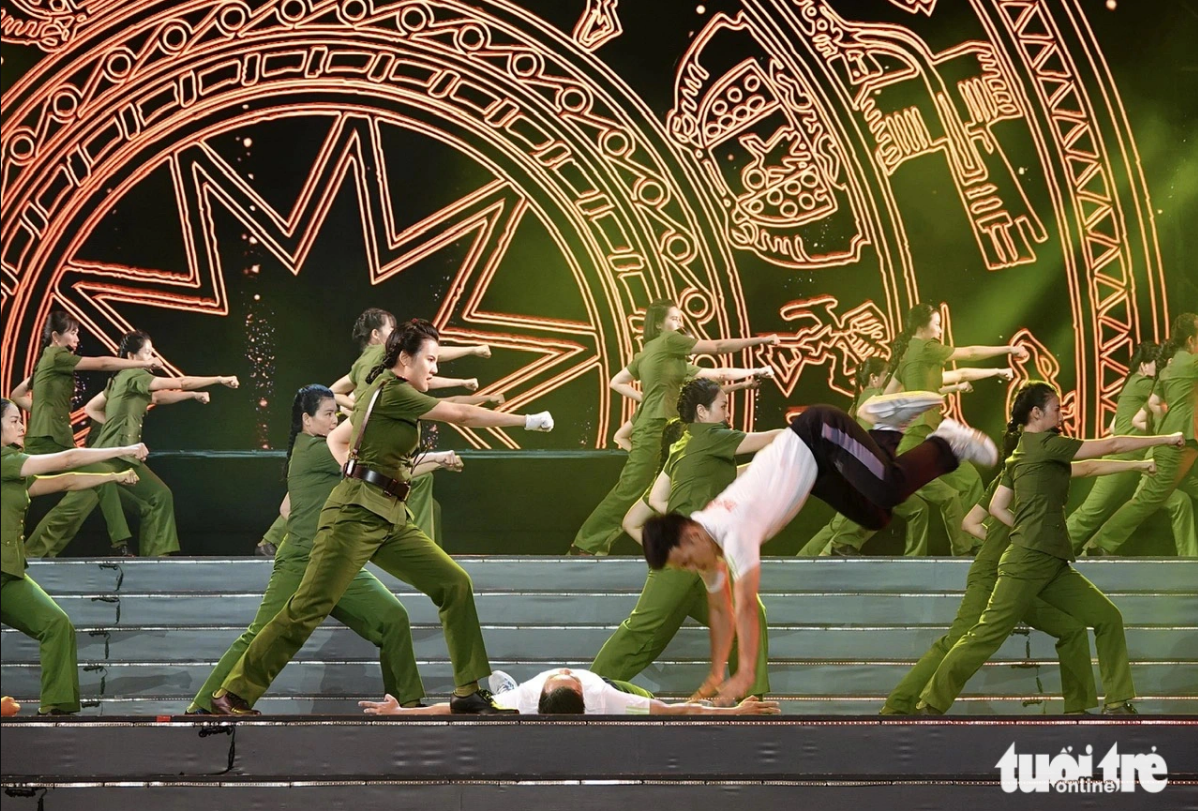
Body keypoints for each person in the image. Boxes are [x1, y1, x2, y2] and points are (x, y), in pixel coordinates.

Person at [210, 319, 554, 715]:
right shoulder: (393, 391)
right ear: (405, 359)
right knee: (308, 606)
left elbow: (340, 440)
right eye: (431, 359)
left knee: (453, 582)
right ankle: (236, 692)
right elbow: (460, 414)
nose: (435, 369)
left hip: (390, 514)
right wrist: (527, 421)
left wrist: (356, 469)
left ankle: (468, 690)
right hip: (354, 516)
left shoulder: (387, 391)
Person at [639, 394, 997, 704]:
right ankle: (890, 424)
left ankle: (947, 442)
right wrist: (716, 674)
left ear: (690, 536)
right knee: (876, 516)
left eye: (686, 561)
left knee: (888, 489)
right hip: (817, 470)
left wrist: (745, 674)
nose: (692, 569)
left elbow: (745, 606)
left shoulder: (734, 530)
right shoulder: (704, 537)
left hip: (819, 433)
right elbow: (720, 610)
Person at [915, 381, 1186, 715]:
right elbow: (1112, 444)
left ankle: (1112, 702)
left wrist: (1027, 527)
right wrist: (1166, 438)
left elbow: (999, 506)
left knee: (1107, 618)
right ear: (1036, 413)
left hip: (1051, 561)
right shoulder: (1045, 444)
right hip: (1027, 561)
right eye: (1057, 409)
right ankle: (931, 702)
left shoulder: (1022, 454)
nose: (1062, 413)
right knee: (986, 633)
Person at [187, 385, 462, 714]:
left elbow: (287, 507)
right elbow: (383, 467)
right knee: (260, 634)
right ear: (307, 420)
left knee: (392, 618)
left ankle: (406, 706)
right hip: (301, 561)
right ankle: (205, 705)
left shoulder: (316, 454)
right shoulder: (318, 450)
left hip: (335, 560)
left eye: (337, 414)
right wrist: (438, 458)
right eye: (328, 414)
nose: (335, 421)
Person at [882, 450, 1159, 716]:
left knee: (1071, 629)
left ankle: (1077, 707)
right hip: (995, 575)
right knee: (958, 639)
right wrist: (1137, 465)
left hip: (1025, 575)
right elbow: (1089, 466)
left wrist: (1007, 541)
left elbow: (970, 523)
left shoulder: (1007, 478)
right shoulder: (1036, 475)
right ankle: (901, 704)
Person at [590, 379, 781, 697]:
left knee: (747, 613)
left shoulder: (685, 446)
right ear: (702, 412)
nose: (726, 412)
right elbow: (773, 439)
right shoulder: (711, 436)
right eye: (722, 406)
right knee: (645, 629)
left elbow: (656, 499)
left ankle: (752, 697)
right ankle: (585, 690)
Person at [571, 299, 780, 556]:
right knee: (632, 489)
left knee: (660, 487)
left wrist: (751, 374)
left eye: (681, 319)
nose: (680, 324)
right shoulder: (668, 342)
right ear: (659, 324)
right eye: (674, 318)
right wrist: (760, 341)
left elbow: (717, 375)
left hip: (668, 429)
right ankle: (586, 544)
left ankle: (671, 543)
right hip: (656, 427)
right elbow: (718, 347)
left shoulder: (661, 356)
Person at [824, 304, 1027, 556]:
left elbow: (891, 394)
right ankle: (845, 541)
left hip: (930, 435)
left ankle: (969, 545)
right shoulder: (926, 348)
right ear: (922, 326)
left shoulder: (910, 355)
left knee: (968, 479)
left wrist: (994, 372)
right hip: (915, 436)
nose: (940, 329)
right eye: (937, 323)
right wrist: (1009, 349)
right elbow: (971, 352)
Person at [25, 331, 239, 558]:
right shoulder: (134, 375)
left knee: (159, 496)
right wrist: (218, 379)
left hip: (125, 457)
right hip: (107, 457)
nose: (151, 357)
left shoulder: (119, 379)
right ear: (131, 356)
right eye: (147, 352)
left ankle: (156, 559)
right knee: (73, 510)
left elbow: (105, 406)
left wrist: (193, 396)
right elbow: (181, 382)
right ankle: (31, 555)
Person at [1, 397, 147, 715]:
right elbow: (67, 460)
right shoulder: (4, 461)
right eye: (13, 420)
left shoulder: (13, 469)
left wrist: (113, 477)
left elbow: (66, 480)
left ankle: (58, 706)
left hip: (7, 574)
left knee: (56, 624)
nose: (21, 424)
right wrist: (121, 450)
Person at [330, 308, 489, 542]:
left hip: (364, 440)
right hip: (380, 444)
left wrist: (360, 410)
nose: (397, 335)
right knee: (418, 478)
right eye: (392, 329)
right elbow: (428, 359)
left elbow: (333, 391)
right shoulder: (388, 354)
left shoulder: (361, 363)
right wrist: (472, 350)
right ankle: (413, 540)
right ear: (376, 334)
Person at [12, 311, 158, 556]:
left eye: (77, 331)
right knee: (103, 475)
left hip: (53, 438)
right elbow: (102, 363)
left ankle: (35, 552)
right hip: (47, 443)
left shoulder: (47, 360)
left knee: (95, 484)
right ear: (56, 337)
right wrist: (143, 363)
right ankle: (119, 543)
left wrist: (44, 412)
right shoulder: (57, 356)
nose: (77, 337)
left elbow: (17, 395)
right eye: (73, 332)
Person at [1066, 342, 1194, 553]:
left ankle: (1189, 562)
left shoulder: (1132, 385)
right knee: (1091, 512)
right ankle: (1050, 553)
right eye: (1157, 364)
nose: (1162, 368)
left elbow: (1113, 426)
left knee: (1179, 501)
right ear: (1143, 366)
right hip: (1123, 461)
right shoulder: (1143, 384)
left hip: (1141, 462)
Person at [359, 668, 781, 716]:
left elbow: (451, 711)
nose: (564, 668)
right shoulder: (601, 699)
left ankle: (501, 683)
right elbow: (677, 711)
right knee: (638, 700)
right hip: (615, 691)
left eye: (560, 675)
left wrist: (400, 713)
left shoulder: (524, 698)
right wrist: (734, 712)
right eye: (569, 676)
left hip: (517, 696)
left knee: (496, 700)